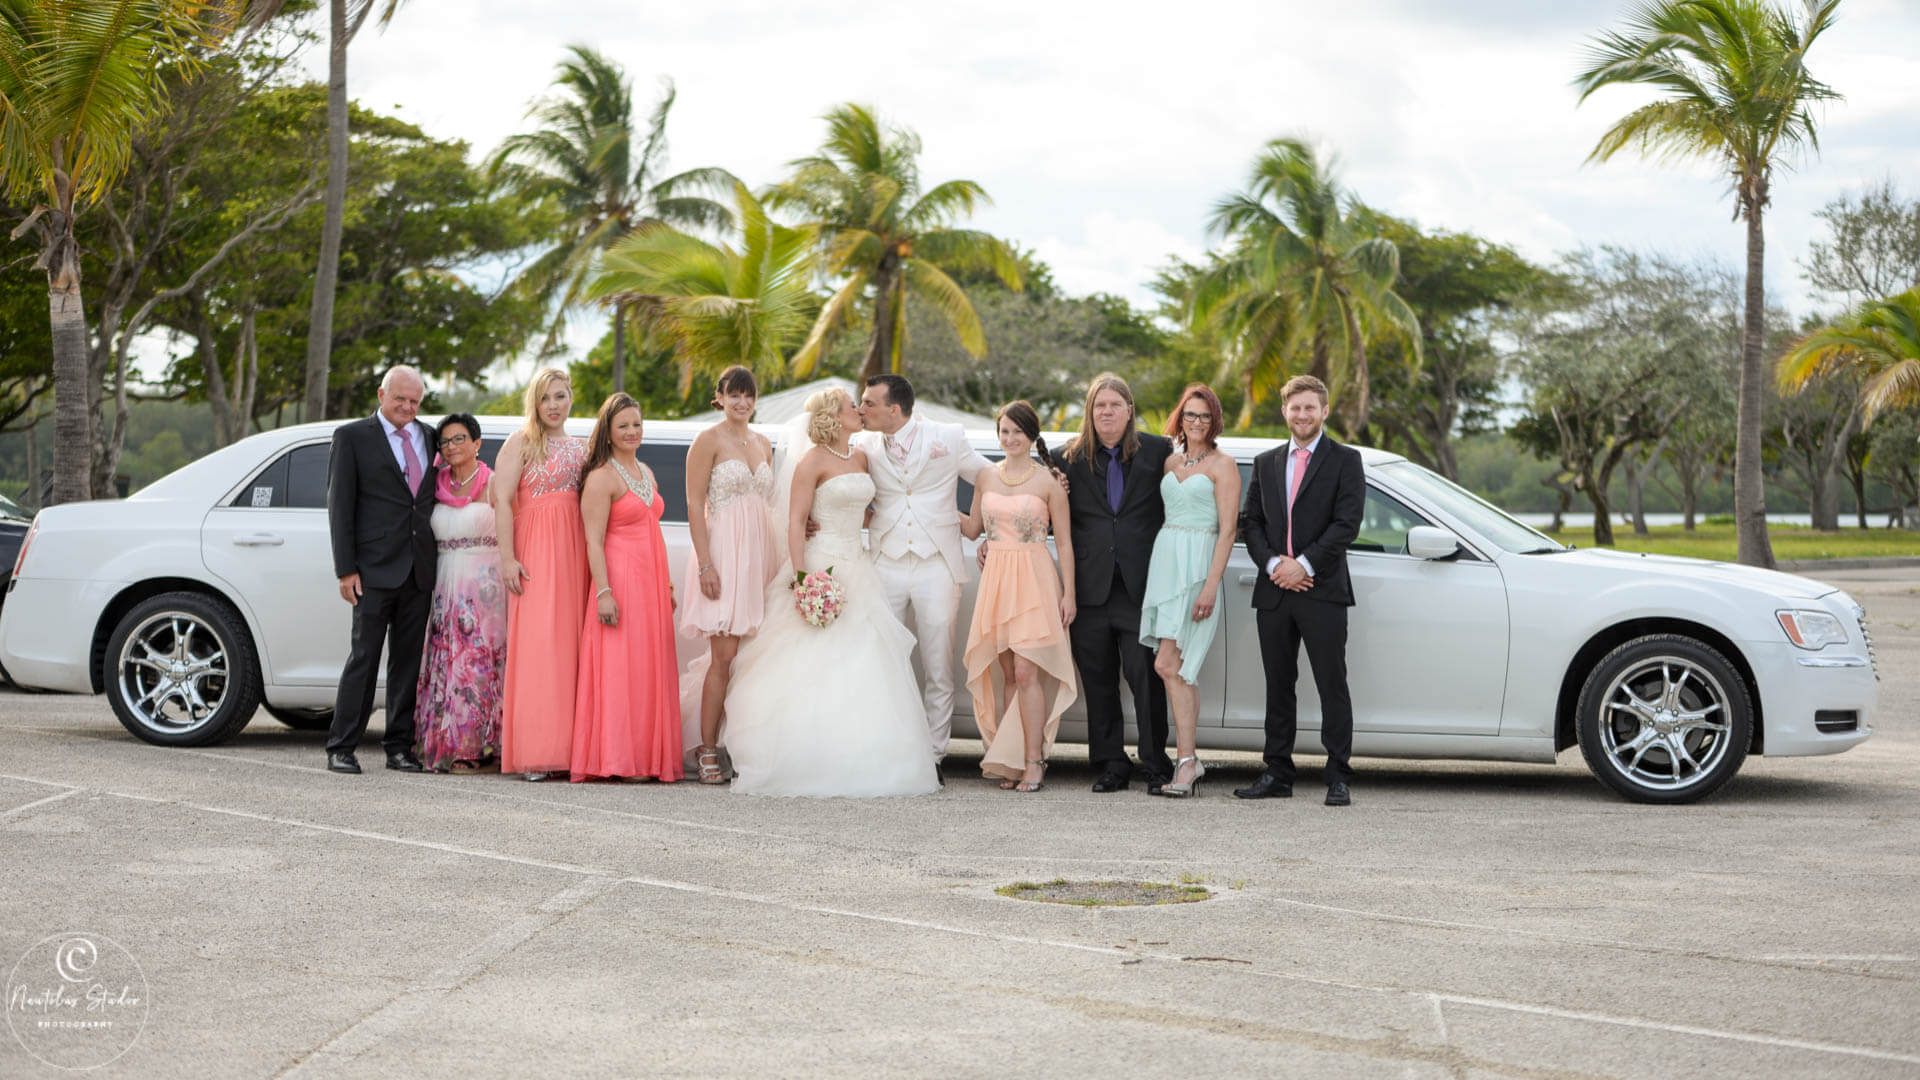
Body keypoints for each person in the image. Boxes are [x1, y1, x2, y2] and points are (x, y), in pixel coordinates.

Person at [721, 388, 940, 798]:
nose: (858, 411)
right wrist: (804, 578)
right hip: (822, 567)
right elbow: (794, 522)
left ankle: (866, 754)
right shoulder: (811, 461)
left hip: (859, 567)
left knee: (866, 662)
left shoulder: (861, 457)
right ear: (833, 417)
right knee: (808, 664)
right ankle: (803, 754)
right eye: (850, 407)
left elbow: (875, 505)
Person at [1233, 375, 1366, 807]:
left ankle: (1338, 775)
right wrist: (1274, 565)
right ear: (1285, 411)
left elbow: (1346, 524)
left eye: (1310, 407)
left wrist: (1303, 565)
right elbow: (1250, 521)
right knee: (1278, 684)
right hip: (1274, 592)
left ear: (1324, 411)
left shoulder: (1346, 460)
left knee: (1332, 684)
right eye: (1295, 407)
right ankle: (1277, 772)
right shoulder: (1267, 461)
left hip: (1321, 589)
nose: (1303, 415)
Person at [853, 374, 991, 777]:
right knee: (886, 660)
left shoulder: (946, 436)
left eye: (868, 403)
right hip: (884, 560)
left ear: (893, 409)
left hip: (936, 563)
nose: (861, 409)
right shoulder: (863, 444)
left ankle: (933, 755)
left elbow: (987, 476)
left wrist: (977, 524)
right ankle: (889, 747)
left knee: (938, 662)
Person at [1057, 373, 1174, 793]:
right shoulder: (1063, 460)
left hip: (1141, 587)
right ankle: (1110, 763)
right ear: (1090, 412)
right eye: (1099, 405)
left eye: (1114, 405)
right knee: (1099, 679)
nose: (1106, 412)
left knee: (1147, 678)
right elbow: (1037, 513)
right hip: (1089, 589)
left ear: (1129, 410)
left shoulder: (1159, 451)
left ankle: (1156, 764)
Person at [324, 365, 438, 775]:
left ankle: (398, 747)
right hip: (371, 571)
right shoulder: (352, 437)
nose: (407, 407)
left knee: (408, 662)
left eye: (414, 401)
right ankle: (341, 745)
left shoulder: (429, 436)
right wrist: (345, 569)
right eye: (400, 399)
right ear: (380, 394)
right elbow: (340, 507)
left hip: (419, 571)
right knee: (364, 658)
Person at [960, 401, 1078, 793]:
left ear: (1031, 436)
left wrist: (1070, 595)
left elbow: (1064, 542)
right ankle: (1009, 760)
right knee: (1009, 673)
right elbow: (974, 527)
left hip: (1035, 578)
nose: (1010, 439)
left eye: (1018, 432)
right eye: (1004, 431)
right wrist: (927, 501)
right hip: (997, 579)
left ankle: (1034, 760)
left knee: (1029, 673)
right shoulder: (984, 477)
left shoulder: (1049, 481)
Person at [572, 394, 682, 783]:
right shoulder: (602, 476)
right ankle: (620, 758)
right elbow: (593, 540)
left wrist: (666, 584)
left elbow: (653, 530)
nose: (632, 431)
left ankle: (646, 758)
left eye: (637, 424)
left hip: (651, 582)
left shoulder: (646, 471)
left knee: (648, 668)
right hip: (619, 580)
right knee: (621, 669)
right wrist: (604, 593)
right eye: (623, 426)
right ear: (609, 431)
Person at [1139, 384, 1242, 797]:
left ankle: (1186, 761)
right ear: (1179, 418)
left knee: (1170, 666)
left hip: (1198, 568)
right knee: (1176, 667)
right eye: (1189, 415)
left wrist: (1210, 586)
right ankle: (1188, 759)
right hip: (1166, 564)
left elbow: (1228, 530)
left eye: (1204, 415)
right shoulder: (1169, 461)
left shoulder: (1224, 465)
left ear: (1214, 420)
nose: (1196, 422)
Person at [677, 366, 777, 784]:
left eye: (748, 395)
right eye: (733, 394)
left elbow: (769, 502)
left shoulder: (764, 443)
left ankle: (739, 742)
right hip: (722, 553)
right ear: (718, 396)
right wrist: (705, 564)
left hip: (759, 554)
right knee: (723, 657)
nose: (742, 402)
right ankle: (707, 749)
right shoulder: (707, 440)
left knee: (752, 657)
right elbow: (694, 504)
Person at [494, 368, 589, 782]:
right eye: (546, 397)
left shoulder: (583, 449)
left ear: (571, 399)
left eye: (561, 396)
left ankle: (570, 751)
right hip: (533, 553)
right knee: (537, 648)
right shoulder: (521, 443)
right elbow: (501, 501)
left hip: (575, 553)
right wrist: (508, 558)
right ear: (535, 402)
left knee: (570, 649)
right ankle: (536, 752)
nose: (554, 405)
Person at [413, 413, 509, 773]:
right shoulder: (431, 485)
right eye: (445, 441)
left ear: (477, 443)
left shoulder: (495, 484)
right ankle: (452, 744)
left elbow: (513, 532)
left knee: (480, 667)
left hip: (485, 590)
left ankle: (485, 747)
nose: (452, 446)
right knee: (447, 663)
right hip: (444, 587)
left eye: (459, 439)